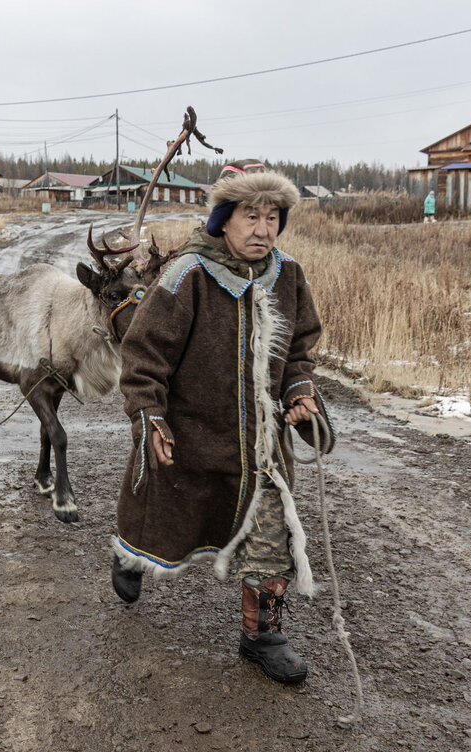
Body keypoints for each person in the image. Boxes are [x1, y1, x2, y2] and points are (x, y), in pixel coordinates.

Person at [110, 159, 335, 684]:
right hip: (189, 434)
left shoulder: (289, 275)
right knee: (161, 511)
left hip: (263, 445)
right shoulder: (186, 275)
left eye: (273, 217)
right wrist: (150, 417)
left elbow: (300, 350)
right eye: (250, 216)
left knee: (272, 530)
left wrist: (299, 391)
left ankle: (263, 636)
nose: (263, 229)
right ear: (223, 220)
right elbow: (143, 358)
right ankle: (131, 554)